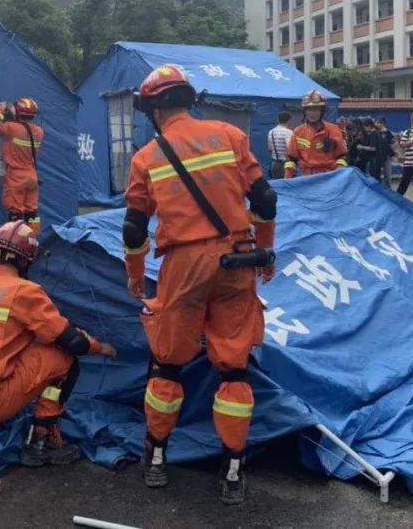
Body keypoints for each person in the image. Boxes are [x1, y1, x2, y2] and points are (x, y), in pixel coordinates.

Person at [122, 64, 277, 505]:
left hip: (183, 265)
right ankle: (232, 469)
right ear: (189, 99)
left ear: (153, 108)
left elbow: (134, 230)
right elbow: (265, 198)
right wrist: (265, 252)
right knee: (234, 367)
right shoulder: (229, 135)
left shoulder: (147, 157)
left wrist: (135, 276)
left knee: (168, 364)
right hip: (237, 258)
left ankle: (155, 459)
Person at [0, 221, 117, 467]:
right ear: (25, 261)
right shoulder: (24, 291)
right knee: (62, 357)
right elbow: (71, 341)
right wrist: (101, 347)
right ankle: (42, 440)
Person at [0, 98, 44, 234]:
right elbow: (25, 129)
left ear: (19, 114)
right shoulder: (39, 132)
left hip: (16, 177)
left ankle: (15, 243)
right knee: (32, 212)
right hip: (32, 176)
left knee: (15, 213)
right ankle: (32, 241)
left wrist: (1, 109)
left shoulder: (11, 128)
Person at [284, 91, 347, 178]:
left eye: (315, 109)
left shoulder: (334, 130)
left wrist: (338, 173)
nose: (311, 113)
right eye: (309, 109)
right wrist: (287, 177)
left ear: (322, 111)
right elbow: (291, 159)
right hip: (306, 178)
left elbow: (342, 156)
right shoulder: (298, 132)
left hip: (329, 177)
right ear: (305, 111)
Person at [395, 113, 413, 197]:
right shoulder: (408, 132)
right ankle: (397, 200)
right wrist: (412, 142)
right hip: (409, 162)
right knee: (404, 183)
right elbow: (402, 145)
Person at [267, 110, 294, 180]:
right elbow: (289, 149)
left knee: (276, 186)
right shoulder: (289, 132)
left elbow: (269, 148)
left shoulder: (271, 132)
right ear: (288, 120)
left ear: (278, 120)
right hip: (286, 165)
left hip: (274, 164)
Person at [376, 118, 395, 186]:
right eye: (376, 122)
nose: (377, 124)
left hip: (386, 157)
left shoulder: (387, 133)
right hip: (377, 157)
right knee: (376, 176)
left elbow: (392, 143)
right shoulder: (375, 132)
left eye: (378, 123)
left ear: (383, 124)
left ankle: (389, 192)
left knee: (388, 177)